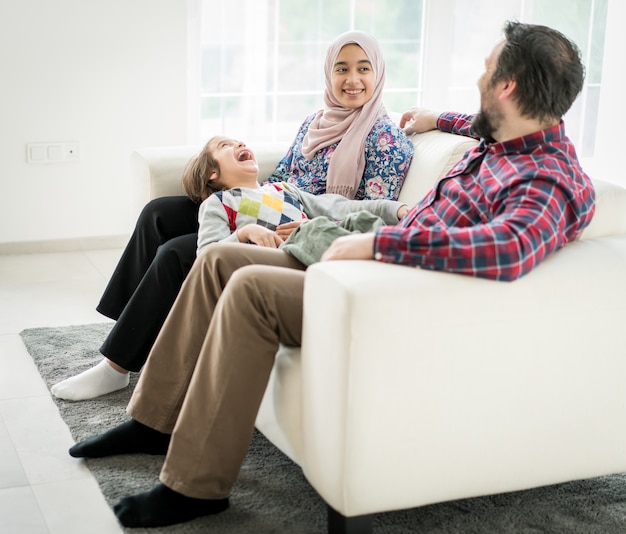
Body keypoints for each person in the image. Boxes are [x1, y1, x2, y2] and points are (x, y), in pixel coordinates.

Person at [69, 20, 596, 529]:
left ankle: (194, 487)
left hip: (391, 293)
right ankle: (154, 422)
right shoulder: (506, 135)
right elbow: (472, 124)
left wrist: (374, 241)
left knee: (249, 287)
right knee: (215, 259)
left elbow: (507, 248)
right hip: (365, 268)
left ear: (507, 86)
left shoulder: (547, 178)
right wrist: (442, 118)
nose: (478, 80)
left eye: (486, 71)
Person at [50, 30, 414, 401]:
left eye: (363, 69)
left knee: (176, 253)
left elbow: (365, 217)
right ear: (328, 73)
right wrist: (241, 197)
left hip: (303, 225)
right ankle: (127, 332)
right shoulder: (315, 121)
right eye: (342, 68)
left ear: (378, 72)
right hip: (271, 201)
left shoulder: (387, 138)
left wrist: (298, 224)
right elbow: (283, 174)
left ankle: (116, 365)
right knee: (157, 214)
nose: (352, 80)